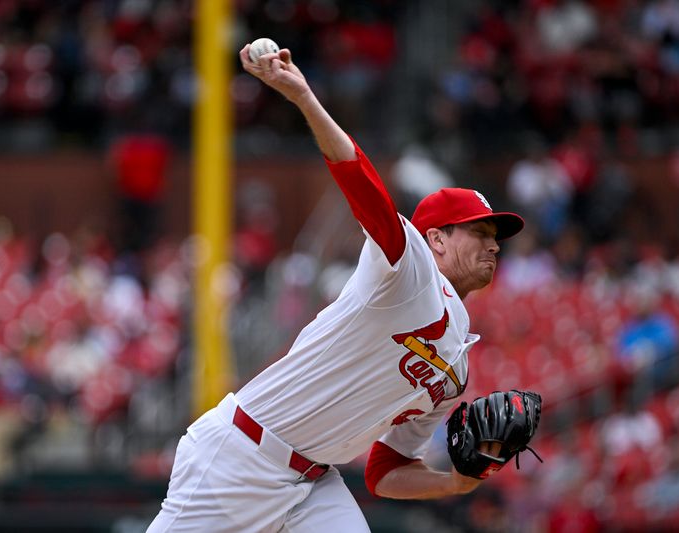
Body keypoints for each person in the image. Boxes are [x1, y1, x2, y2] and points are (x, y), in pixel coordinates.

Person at [147, 44, 529, 532]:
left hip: (314, 484)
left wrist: (456, 482)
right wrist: (304, 96)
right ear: (434, 238)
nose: (493, 246)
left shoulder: (456, 367)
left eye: (495, 237)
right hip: (241, 456)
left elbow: (385, 473)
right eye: (479, 232)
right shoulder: (410, 268)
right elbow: (360, 182)